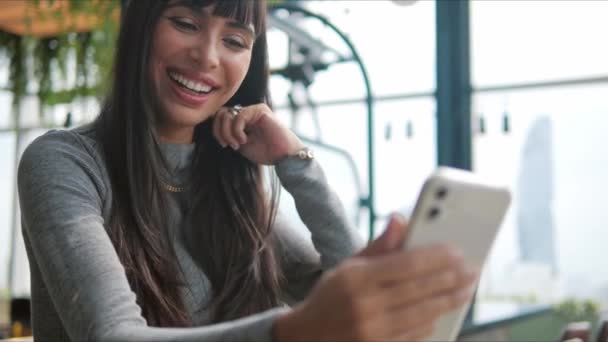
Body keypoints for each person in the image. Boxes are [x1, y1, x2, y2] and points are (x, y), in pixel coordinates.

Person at [17, 0, 478, 341]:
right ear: (141, 26)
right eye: (185, 23)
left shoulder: (228, 187)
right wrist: (293, 331)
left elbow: (345, 288)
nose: (208, 57)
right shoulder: (65, 162)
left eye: (235, 41)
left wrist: (297, 164)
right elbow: (113, 336)